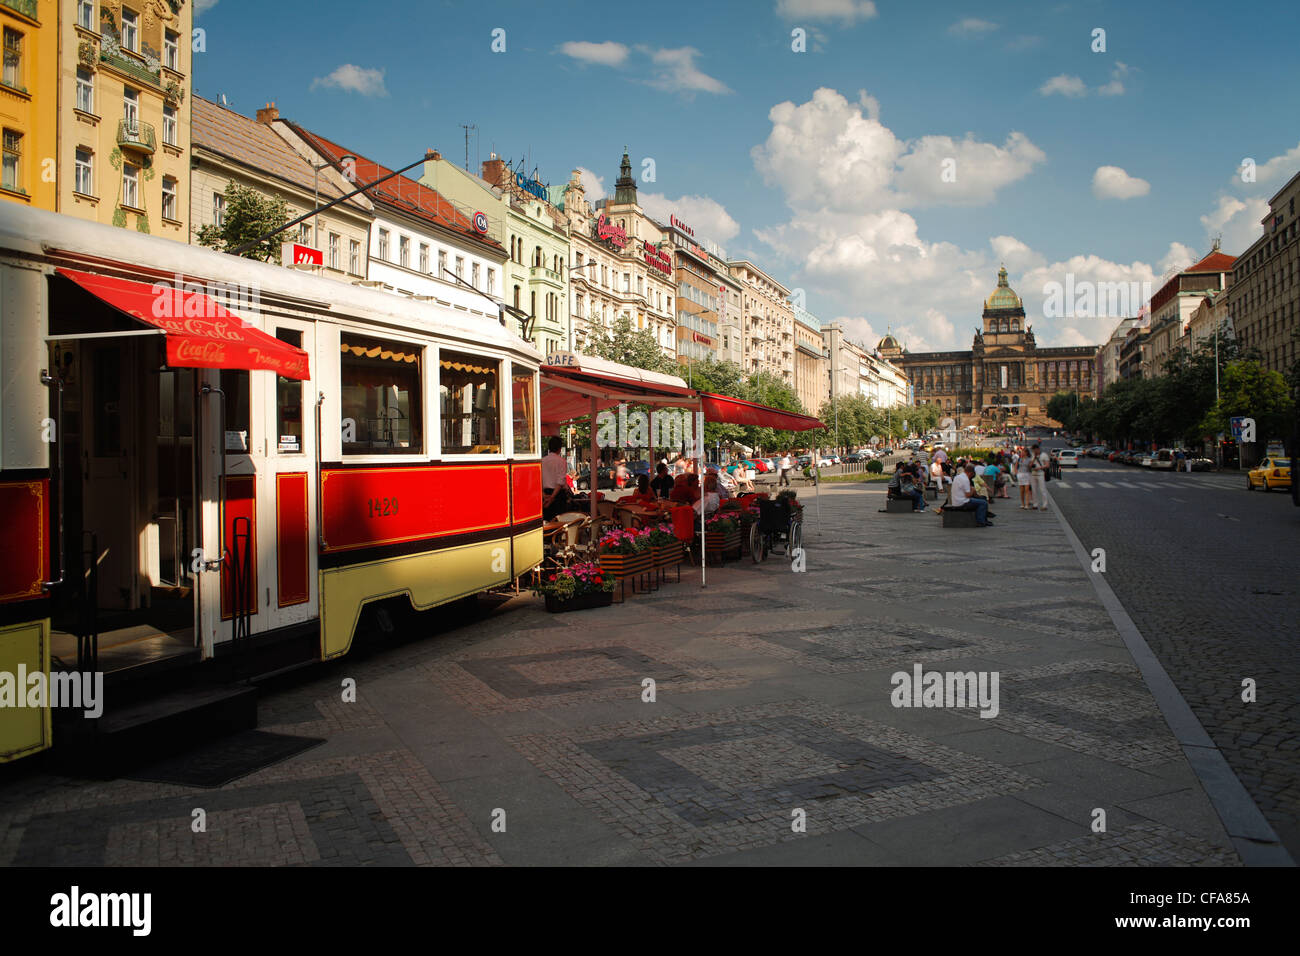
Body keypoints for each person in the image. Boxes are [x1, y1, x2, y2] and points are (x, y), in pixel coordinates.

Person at [541, 436, 572, 521]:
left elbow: (538, 480)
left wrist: (544, 496)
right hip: (558, 495)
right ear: (559, 448)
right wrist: (552, 497)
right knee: (559, 522)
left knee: (547, 521)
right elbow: (560, 481)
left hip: (545, 494)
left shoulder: (542, 461)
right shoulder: (561, 461)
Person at [1029, 443, 1050, 511]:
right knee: (1034, 490)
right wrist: (1034, 458)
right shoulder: (1032, 455)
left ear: (1037, 449)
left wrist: (1039, 467)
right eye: (1033, 450)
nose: (1034, 452)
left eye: (1034, 450)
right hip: (1033, 473)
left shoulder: (1044, 455)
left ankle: (1045, 505)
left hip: (1040, 473)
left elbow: (1047, 465)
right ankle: (1035, 504)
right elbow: (1030, 465)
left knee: (1042, 490)